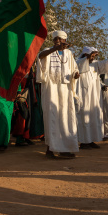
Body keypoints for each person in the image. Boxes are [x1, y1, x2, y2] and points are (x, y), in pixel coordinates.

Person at [36, 30, 80, 159]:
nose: (57, 41)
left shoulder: (68, 54)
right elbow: (40, 56)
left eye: (60, 39)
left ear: (65, 40)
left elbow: (74, 69)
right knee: (52, 118)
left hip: (65, 89)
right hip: (51, 89)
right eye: (55, 39)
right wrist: (55, 49)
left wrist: (75, 75)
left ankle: (65, 149)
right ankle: (50, 148)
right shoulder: (48, 51)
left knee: (66, 118)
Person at [75, 47, 103, 149]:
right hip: (83, 96)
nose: (93, 58)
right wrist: (87, 58)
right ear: (86, 55)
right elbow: (80, 66)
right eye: (92, 55)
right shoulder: (78, 63)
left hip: (93, 97)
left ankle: (90, 139)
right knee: (84, 118)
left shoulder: (94, 66)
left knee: (93, 117)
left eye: (94, 56)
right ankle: (83, 141)